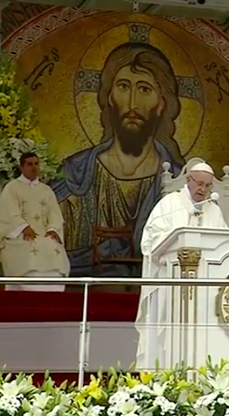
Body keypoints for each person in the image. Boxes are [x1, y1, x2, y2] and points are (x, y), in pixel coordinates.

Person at [51, 42, 185, 277]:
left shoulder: (178, 182)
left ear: (162, 103)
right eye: (123, 86)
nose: (132, 103)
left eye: (144, 89)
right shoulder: (75, 175)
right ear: (110, 97)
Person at [135, 161, 227, 370]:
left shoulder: (214, 210)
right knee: (168, 332)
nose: (203, 190)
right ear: (188, 180)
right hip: (170, 281)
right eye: (199, 184)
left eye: (208, 186)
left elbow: (224, 243)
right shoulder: (169, 204)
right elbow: (149, 242)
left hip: (204, 286)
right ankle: (163, 369)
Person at [0, 152, 69, 290]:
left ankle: (53, 290)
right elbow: (8, 213)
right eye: (29, 164)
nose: (34, 167)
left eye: (36, 164)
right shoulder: (12, 188)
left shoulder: (46, 190)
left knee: (51, 245)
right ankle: (29, 289)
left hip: (44, 233)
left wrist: (52, 229)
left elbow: (55, 214)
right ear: (21, 167)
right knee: (30, 246)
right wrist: (23, 227)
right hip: (20, 234)